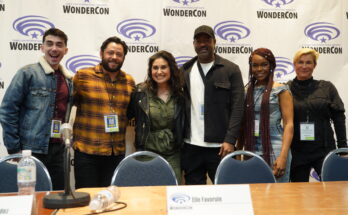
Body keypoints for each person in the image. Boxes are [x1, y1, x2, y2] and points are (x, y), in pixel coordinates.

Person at [0, 28, 72, 190]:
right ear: (42, 47)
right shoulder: (27, 73)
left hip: (57, 151)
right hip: (30, 151)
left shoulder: (68, 80)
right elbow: (7, 110)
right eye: (49, 44)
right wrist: (14, 149)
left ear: (65, 51)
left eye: (59, 45)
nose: (54, 48)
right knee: (30, 197)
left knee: (57, 196)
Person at [181, 25, 245, 185]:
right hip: (191, 146)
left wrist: (231, 140)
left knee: (225, 193)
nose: (203, 44)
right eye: (199, 41)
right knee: (194, 194)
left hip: (221, 146)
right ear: (194, 44)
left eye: (207, 40)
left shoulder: (231, 69)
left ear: (214, 42)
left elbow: (238, 107)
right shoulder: (185, 70)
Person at [73, 36, 135, 188]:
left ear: (123, 58)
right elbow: (68, 105)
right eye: (110, 52)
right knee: (86, 201)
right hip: (87, 152)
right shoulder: (82, 76)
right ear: (101, 53)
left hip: (115, 154)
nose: (114, 57)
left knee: (111, 201)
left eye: (119, 54)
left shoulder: (129, 82)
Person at [288, 48, 347, 182]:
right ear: (294, 64)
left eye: (308, 62)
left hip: (324, 150)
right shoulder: (286, 89)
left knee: (332, 191)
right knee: (297, 195)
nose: (304, 66)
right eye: (300, 62)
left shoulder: (327, 87)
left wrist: (343, 149)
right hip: (297, 152)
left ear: (314, 65)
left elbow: (339, 118)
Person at [128, 50, 185, 183]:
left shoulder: (180, 94)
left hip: (173, 153)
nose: (159, 72)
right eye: (155, 68)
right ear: (150, 70)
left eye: (163, 67)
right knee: (148, 194)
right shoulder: (140, 92)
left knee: (172, 193)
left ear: (171, 69)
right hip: (147, 152)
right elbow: (127, 115)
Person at [239, 48, 293, 182]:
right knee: (254, 195)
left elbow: (289, 124)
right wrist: (239, 151)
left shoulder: (281, 89)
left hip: (275, 148)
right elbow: (242, 125)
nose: (259, 69)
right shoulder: (246, 91)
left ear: (271, 66)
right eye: (255, 65)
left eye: (264, 64)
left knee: (278, 196)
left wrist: (283, 157)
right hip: (251, 147)